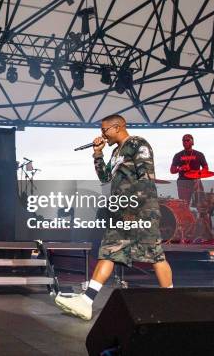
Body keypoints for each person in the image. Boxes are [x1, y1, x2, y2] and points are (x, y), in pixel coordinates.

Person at [54, 114, 173, 320]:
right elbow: (105, 178)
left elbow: (146, 178)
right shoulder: (116, 152)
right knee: (108, 251)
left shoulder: (137, 144)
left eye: (104, 131)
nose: (102, 135)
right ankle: (87, 301)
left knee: (154, 254)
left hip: (140, 210)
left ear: (117, 127)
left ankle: (173, 301)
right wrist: (98, 154)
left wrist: (133, 207)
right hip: (120, 211)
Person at [170, 134, 208, 205]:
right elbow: (172, 170)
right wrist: (180, 168)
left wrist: (197, 174)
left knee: (201, 205)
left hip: (196, 181)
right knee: (184, 205)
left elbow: (206, 168)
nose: (185, 142)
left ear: (192, 142)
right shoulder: (178, 155)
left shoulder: (199, 154)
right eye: (184, 140)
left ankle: (202, 216)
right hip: (183, 182)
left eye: (188, 140)